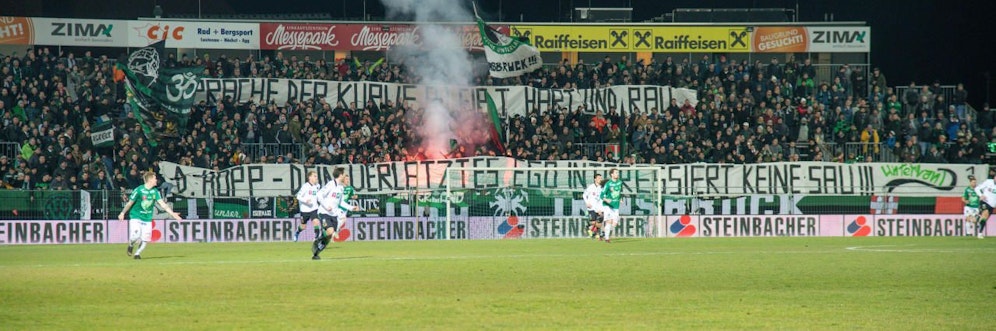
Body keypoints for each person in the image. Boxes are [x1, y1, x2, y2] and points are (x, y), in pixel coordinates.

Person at [118, 171, 182, 259]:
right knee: (136, 235)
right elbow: (129, 203)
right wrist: (122, 213)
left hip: (147, 218)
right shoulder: (139, 190)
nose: (156, 180)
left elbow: (163, 204)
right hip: (136, 216)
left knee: (145, 239)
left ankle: (137, 254)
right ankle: (131, 244)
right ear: (150, 180)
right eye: (155, 178)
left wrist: (172, 214)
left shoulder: (155, 192)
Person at [293, 171, 321, 242]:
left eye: (316, 176)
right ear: (309, 177)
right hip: (305, 210)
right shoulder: (305, 186)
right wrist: (306, 200)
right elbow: (298, 196)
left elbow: (318, 196)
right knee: (303, 226)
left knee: (316, 221)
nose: (316, 178)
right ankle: (297, 232)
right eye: (314, 176)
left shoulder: (317, 186)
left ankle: (316, 237)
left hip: (314, 208)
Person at [600, 168, 623, 243]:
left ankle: (603, 233)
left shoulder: (620, 182)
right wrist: (606, 199)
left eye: (618, 173)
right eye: (616, 173)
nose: (617, 174)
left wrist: (620, 198)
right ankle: (607, 238)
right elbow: (601, 195)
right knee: (609, 221)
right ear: (612, 174)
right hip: (607, 205)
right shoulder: (608, 184)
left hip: (616, 205)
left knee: (615, 223)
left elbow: (619, 192)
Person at [582, 173, 605, 240]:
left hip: (600, 208)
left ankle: (595, 232)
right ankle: (590, 228)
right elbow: (584, 195)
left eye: (601, 178)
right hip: (591, 207)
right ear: (595, 179)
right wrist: (587, 203)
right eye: (599, 178)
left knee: (599, 222)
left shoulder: (602, 187)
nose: (600, 179)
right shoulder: (591, 187)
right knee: (593, 222)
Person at [974, 174, 996, 239]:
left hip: (992, 206)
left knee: (983, 219)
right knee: (985, 214)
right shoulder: (988, 182)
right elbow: (977, 188)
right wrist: (981, 195)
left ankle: (976, 217)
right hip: (985, 202)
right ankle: (980, 234)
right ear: (994, 177)